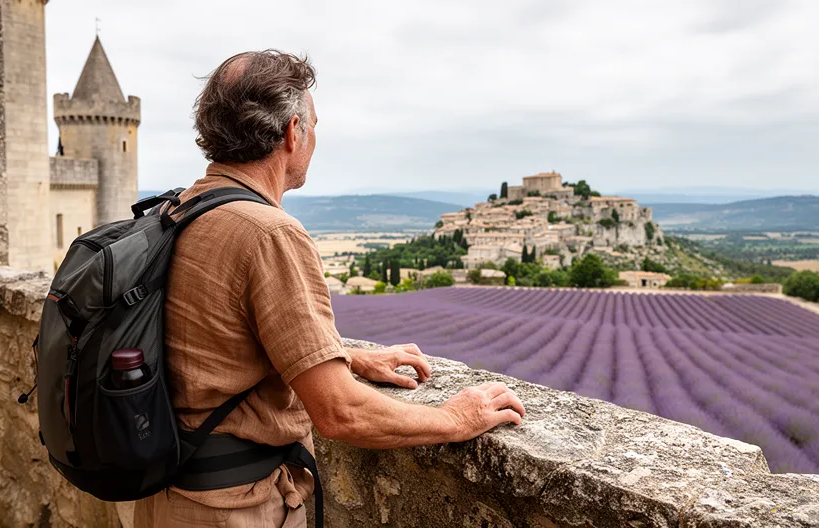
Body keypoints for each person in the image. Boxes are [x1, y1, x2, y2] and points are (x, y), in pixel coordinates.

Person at [132, 50, 526, 528]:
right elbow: (341, 412)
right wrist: (458, 418)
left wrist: (344, 356)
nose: (315, 137)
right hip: (232, 508)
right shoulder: (269, 234)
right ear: (293, 132)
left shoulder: (177, 210)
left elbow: (212, 338)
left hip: (163, 495)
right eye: (314, 124)